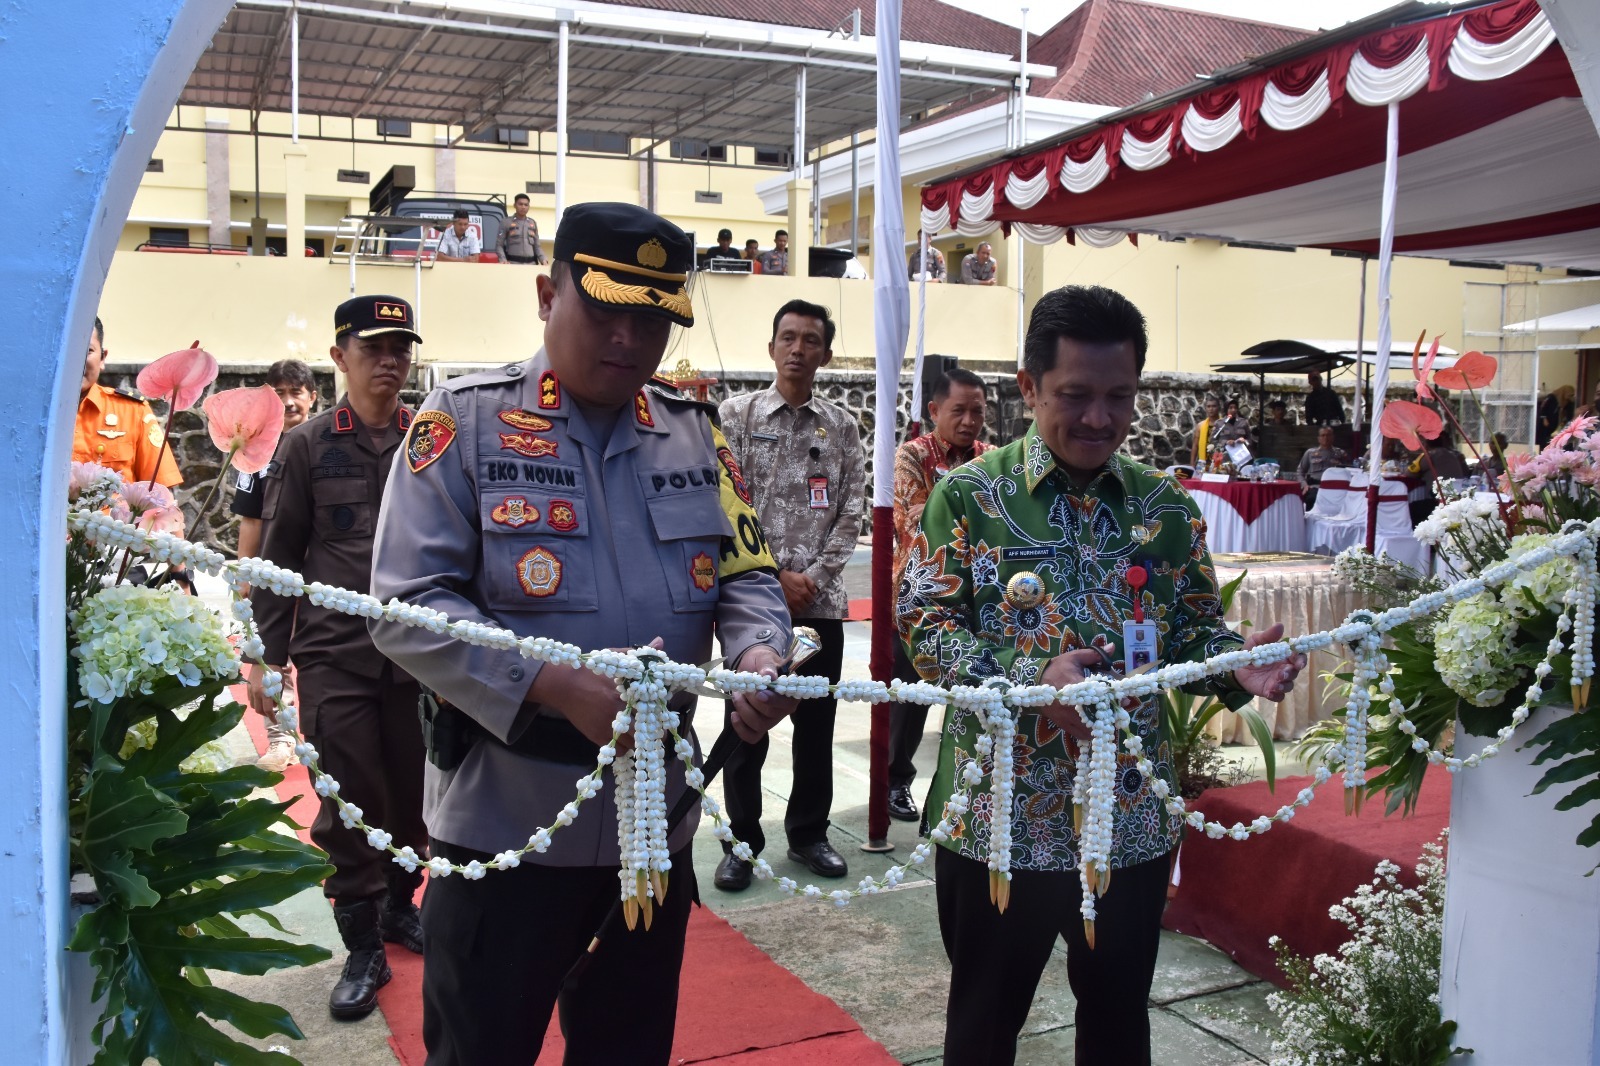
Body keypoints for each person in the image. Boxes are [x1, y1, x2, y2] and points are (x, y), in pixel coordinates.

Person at [366, 203, 796, 1065]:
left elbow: (748, 576)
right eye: (604, 310)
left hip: (652, 826)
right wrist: (550, 682)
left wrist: (756, 653)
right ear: (544, 292)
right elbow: (406, 602)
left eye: (654, 320)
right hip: (506, 826)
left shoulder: (693, 434)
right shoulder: (465, 423)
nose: (629, 340)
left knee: (628, 1049)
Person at [902, 284, 1305, 1066]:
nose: (1099, 419)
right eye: (1075, 396)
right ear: (1028, 388)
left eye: (1119, 397)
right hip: (1000, 815)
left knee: (1119, 1020)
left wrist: (1235, 669)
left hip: (1130, 813)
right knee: (984, 1024)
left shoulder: (1165, 506)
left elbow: (1188, 632)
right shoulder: (969, 497)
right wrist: (1030, 678)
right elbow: (926, 629)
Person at [246, 295, 428, 1021]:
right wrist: (264, 659)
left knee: (415, 799)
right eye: (375, 346)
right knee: (349, 802)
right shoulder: (307, 445)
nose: (391, 360)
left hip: (417, 660)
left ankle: (400, 909)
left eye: (401, 348)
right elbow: (278, 557)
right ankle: (362, 946)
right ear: (340, 357)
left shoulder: (430, 438)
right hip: (335, 657)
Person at [714, 299, 866, 889]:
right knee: (745, 723)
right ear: (771, 345)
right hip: (750, 602)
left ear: (825, 353)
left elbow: (850, 512)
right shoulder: (736, 415)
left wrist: (815, 580)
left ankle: (808, 834)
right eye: (788, 337)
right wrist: (773, 578)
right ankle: (742, 842)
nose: (798, 349)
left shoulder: (842, 427)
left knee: (816, 726)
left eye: (810, 340)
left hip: (820, 605)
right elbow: (723, 498)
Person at [888, 368, 991, 822]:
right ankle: (895, 781)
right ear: (934, 411)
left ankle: (970, 784)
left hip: (979, 600)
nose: (969, 421)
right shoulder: (913, 456)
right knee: (908, 700)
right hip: (921, 598)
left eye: (977, 412)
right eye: (959, 411)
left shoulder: (992, 459)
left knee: (973, 695)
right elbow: (915, 524)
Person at [231, 357, 318, 773]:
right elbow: (249, 519)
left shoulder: (327, 445)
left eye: (295, 393)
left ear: (312, 397)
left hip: (323, 573)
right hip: (272, 572)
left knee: (318, 654)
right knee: (272, 659)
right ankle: (281, 738)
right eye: (278, 394)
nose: (288, 402)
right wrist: (244, 576)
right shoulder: (254, 453)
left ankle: (321, 733)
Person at [73, 316, 182, 487]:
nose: (74, 361)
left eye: (87, 350)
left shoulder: (133, 412)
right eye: (66, 351)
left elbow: (159, 492)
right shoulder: (28, 416)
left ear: (103, 358)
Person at [1295, 426, 1350, 507]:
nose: (1325, 438)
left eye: (1328, 435)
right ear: (1318, 438)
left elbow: (1349, 471)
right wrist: (1304, 484)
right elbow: (1300, 471)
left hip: (1335, 488)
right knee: (1311, 499)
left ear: (1333, 437)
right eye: (1323, 435)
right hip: (1316, 486)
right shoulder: (1310, 453)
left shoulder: (1340, 453)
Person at [498, 193, 546, 265]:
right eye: (520, 204)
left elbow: (537, 245)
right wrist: (503, 259)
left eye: (526, 205)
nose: (523, 207)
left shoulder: (532, 223)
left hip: (531, 264)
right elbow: (499, 245)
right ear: (515, 205)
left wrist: (543, 259)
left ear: (529, 206)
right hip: (513, 263)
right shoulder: (506, 222)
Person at [1190, 396, 1220, 468]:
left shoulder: (1224, 424)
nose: (1211, 409)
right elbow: (1195, 445)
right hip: (1203, 463)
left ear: (1218, 408)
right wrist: (1192, 463)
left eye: (1214, 406)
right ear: (1206, 408)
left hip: (1219, 462)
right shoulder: (1200, 425)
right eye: (1208, 406)